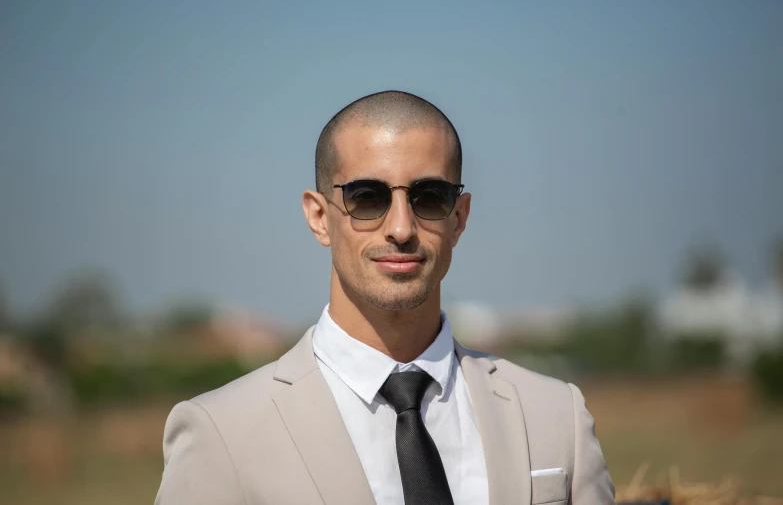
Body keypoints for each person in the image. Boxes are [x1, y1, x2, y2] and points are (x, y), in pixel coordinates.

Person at [155, 90, 615, 505]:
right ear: (318, 217)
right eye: (367, 197)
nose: (400, 228)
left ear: (459, 218)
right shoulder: (221, 433)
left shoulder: (556, 415)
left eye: (429, 196)